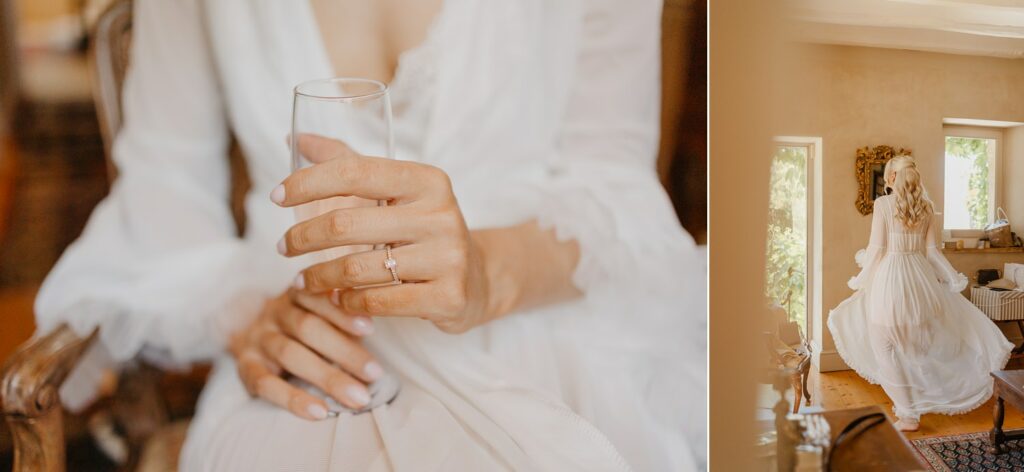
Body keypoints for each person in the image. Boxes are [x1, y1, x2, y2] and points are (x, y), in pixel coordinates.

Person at [33, 0, 705, 469]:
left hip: (538, 327)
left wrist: (483, 272)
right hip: (311, 351)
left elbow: (613, 191)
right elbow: (163, 193)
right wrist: (247, 316)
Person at [828, 155, 1012, 432]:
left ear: (891, 179)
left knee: (885, 347)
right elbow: (932, 252)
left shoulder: (883, 204)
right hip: (920, 281)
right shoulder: (926, 207)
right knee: (916, 346)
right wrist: (953, 277)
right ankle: (913, 404)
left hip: (891, 278)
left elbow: (877, 249)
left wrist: (860, 278)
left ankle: (909, 412)